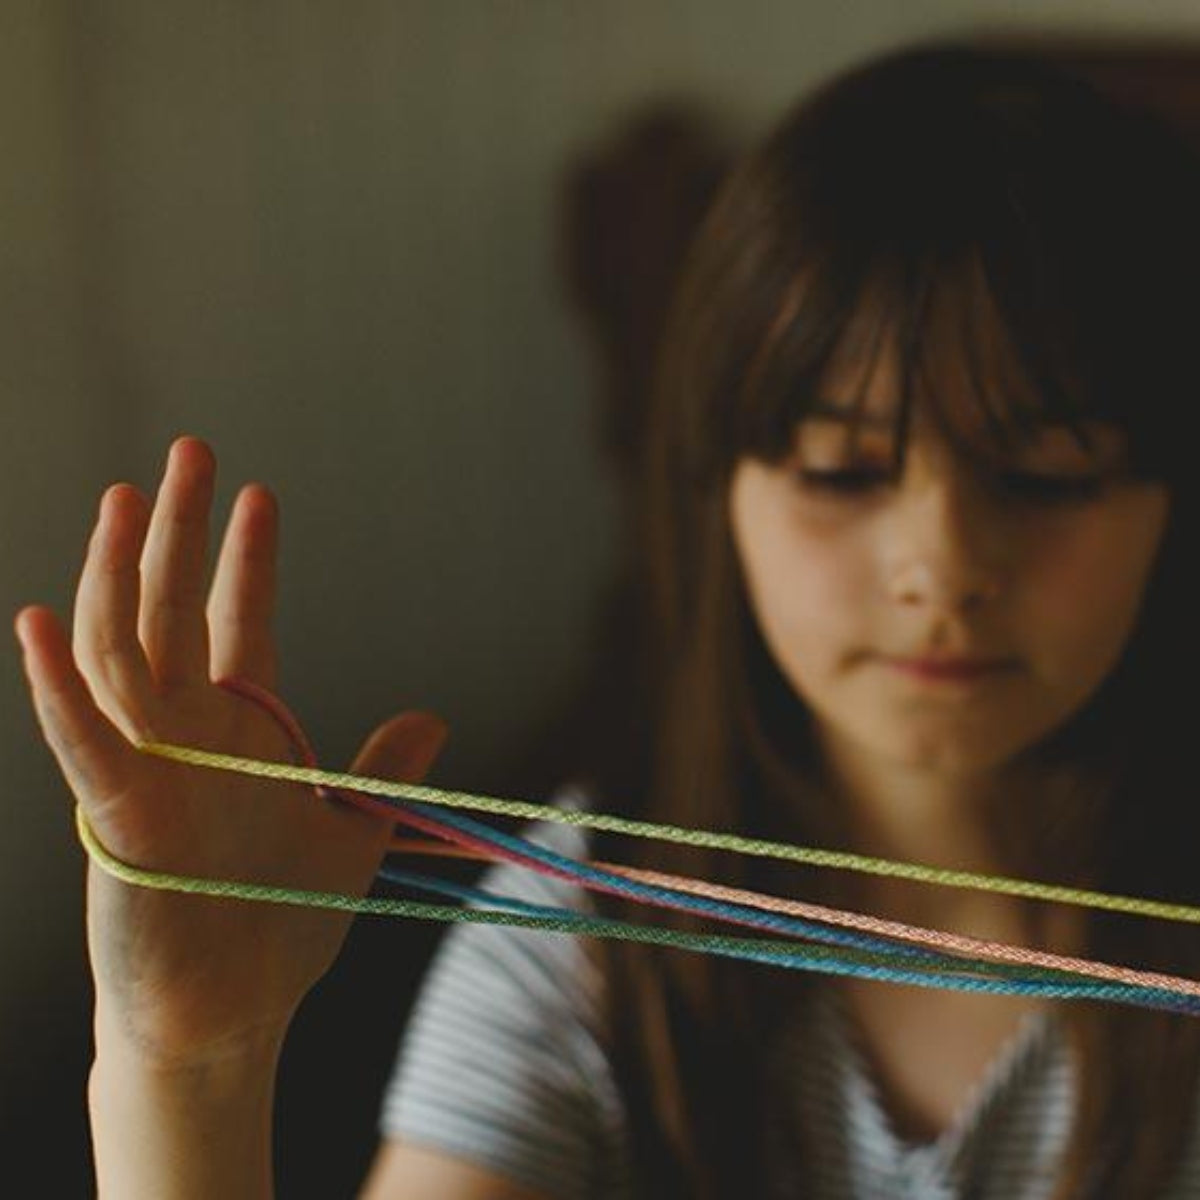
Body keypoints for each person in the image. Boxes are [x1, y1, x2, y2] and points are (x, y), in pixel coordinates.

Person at [15, 42, 1200, 1199]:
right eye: (842, 471)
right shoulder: (589, 914)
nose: (940, 571)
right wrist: (189, 1066)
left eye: (1047, 476)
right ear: (714, 492)